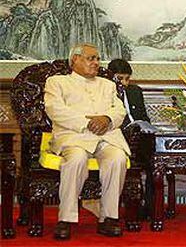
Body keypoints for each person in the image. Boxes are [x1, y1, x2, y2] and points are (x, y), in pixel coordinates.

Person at [44, 44, 130, 240]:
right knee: (76, 159)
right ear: (75, 59)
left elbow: (119, 111)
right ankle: (65, 219)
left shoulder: (107, 85)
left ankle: (108, 217)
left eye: (98, 59)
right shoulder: (57, 82)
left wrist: (107, 119)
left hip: (106, 136)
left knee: (117, 158)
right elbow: (55, 110)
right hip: (74, 136)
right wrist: (88, 123)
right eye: (91, 58)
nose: (96, 63)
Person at [108, 58, 156, 219]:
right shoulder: (105, 92)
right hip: (117, 139)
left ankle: (149, 207)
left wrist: (147, 128)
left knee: (154, 161)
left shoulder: (135, 91)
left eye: (127, 78)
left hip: (138, 137)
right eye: (120, 79)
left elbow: (143, 116)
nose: (125, 83)